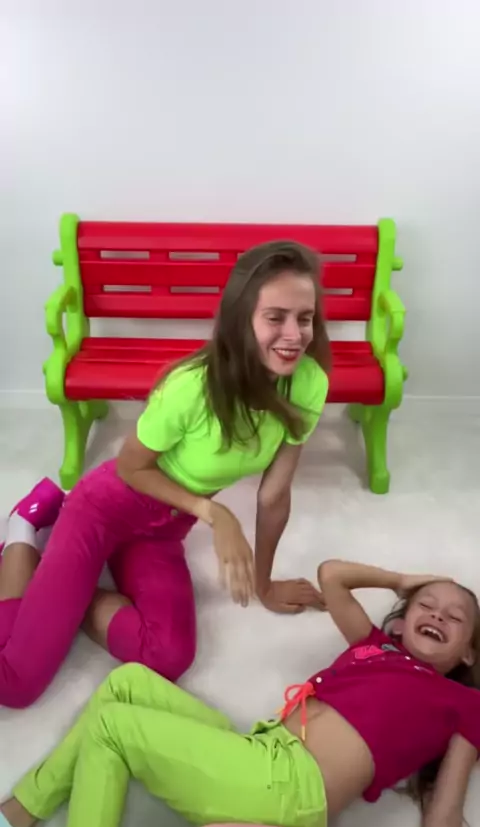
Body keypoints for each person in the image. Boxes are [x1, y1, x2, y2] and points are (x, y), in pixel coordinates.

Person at [0, 240, 331, 708]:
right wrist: (212, 512)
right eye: (276, 317)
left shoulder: (309, 383)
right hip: (104, 510)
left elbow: (274, 496)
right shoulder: (191, 387)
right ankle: (24, 526)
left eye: (305, 318)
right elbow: (130, 466)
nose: (294, 335)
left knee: (168, 654)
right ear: (241, 320)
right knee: (15, 682)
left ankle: (68, 592)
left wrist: (264, 584)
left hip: (162, 529)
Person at [2, 561, 480, 827]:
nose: (437, 614)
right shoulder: (374, 646)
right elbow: (332, 575)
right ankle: (18, 816)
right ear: (400, 623)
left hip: (291, 786)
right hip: (262, 750)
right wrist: (401, 580)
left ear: (469, 655)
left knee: (113, 726)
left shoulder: (464, 702)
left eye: (455, 617)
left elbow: (444, 814)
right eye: (425, 604)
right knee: (128, 682)